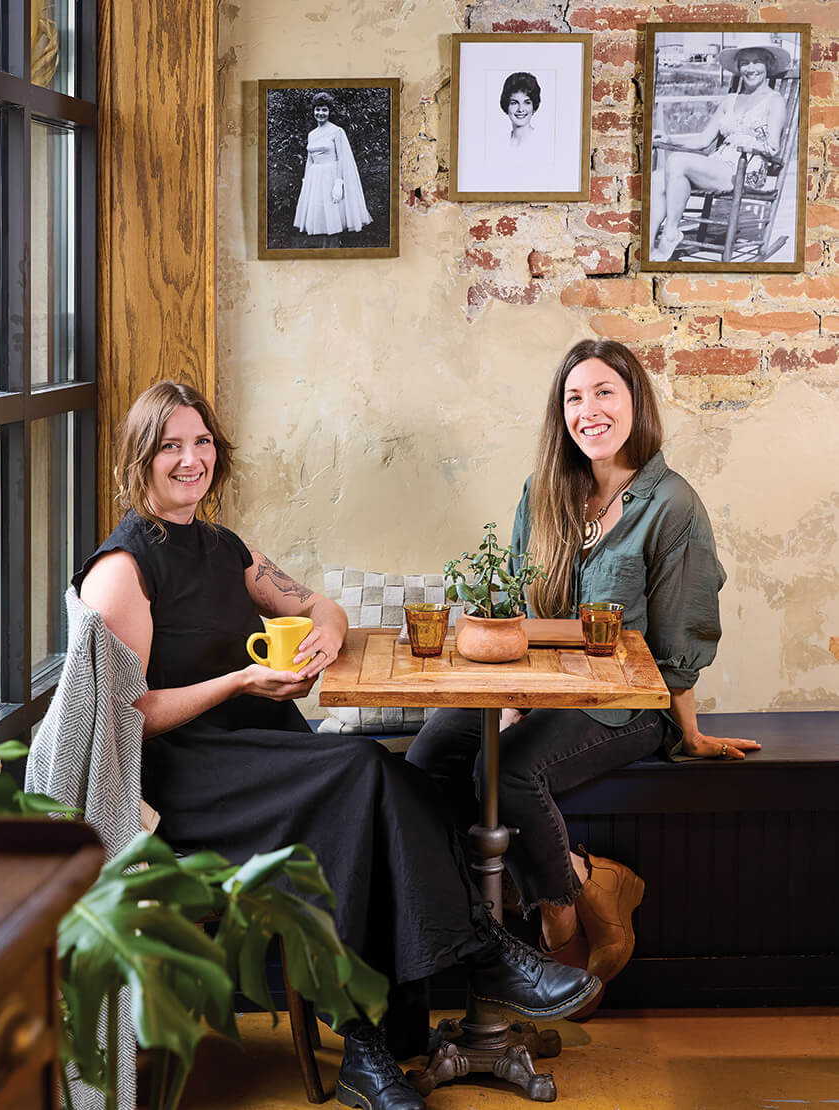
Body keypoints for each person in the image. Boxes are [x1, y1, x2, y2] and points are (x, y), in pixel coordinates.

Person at [75, 380, 601, 1110]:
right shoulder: (122, 570)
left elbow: (320, 602)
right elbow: (127, 715)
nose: (189, 459)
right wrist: (239, 683)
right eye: (170, 445)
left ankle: (369, 1046)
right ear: (141, 458)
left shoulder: (228, 549)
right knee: (364, 772)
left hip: (268, 757)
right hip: (191, 783)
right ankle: (484, 957)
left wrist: (325, 629)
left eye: (200, 443)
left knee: (386, 787)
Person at [406, 339, 760, 1002]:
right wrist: (508, 698)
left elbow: (681, 637)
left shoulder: (672, 506)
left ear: (635, 404)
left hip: (622, 707)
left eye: (604, 393)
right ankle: (590, 880)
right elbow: (509, 603)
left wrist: (691, 732)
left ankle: (556, 939)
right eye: (574, 397)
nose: (588, 409)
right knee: (425, 763)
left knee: (502, 770)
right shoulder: (542, 491)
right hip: (527, 688)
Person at [649, 41, 790, 261]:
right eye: (745, 63)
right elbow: (703, 139)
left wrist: (748, 146)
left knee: (676, 162)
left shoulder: (774, 101)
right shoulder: (730, 100)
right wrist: (669, 138)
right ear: (738, 68)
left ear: (768, 64)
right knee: (657, 179)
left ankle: (670, 233)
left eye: (757, 62)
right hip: (718, 164)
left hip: (746, 169)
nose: (750, 68)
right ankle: (647, 250)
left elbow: (773, 146)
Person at [293, 91, 372, 239]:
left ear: (329, 111)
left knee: (333, 218)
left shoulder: (337, 131)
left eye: (324, 109)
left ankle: (334, 250)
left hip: (331, 176)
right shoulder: (312, 134)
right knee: (319, 217)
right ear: (313, 111)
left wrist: (338, 183)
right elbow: (310, 159)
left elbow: (342, 159)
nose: (320, 113)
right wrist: (306, 180)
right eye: (317, 109)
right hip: (315, 179)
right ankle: (323, 253)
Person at [499, 71, 542, 154]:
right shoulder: (500, 144)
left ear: (533, 106)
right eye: (514, 103)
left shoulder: (542, 142)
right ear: (507, 105)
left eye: (527, 102)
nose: (520, 109)